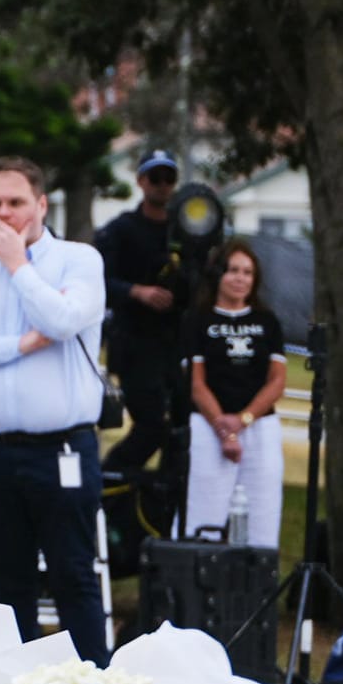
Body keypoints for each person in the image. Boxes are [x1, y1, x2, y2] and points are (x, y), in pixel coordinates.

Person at [0, 155, 110, 661]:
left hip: (61, 448)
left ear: (41, 205)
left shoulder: (78, 260)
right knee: (5, 583)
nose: (6, 214)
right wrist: (20, 345)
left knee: (73, 575)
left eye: (17, 203)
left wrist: (18, 266)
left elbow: (63, 320)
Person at [180, 238, 286, 550]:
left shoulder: (266, 321)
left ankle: (258, 595)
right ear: (218, 275)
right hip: (209, 425)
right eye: (233, 271)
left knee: (262, 520)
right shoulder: (198, 319)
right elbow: (196, 384)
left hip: (258, 427)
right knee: (204, 518)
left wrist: (244, 420)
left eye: (248, 272)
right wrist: (223, 430)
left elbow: (277, 381)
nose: (240, 278)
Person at [96, 152, 187, 480]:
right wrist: (137, 292)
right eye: (155, 178)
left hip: (177, 345)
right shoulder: (121, 229)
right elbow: (98, 280)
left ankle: (167, 501)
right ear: (141, 181)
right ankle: (109, 484)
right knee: (151, 426)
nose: (162, 186)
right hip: (135, 345)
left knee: (183, 429)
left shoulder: (184, 231)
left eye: (169, 179)